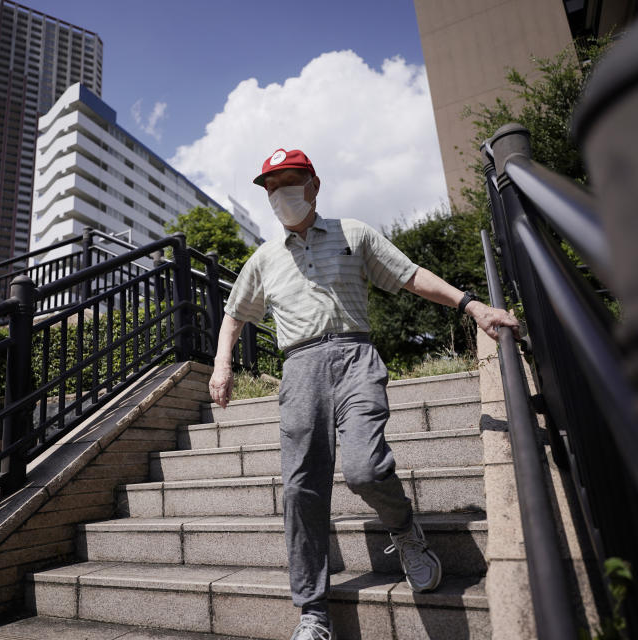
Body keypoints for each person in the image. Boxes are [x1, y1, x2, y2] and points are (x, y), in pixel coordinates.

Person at [208, 148, 519, 640]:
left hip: (355, 357)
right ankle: (312, 612)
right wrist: (223, 363)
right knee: (300, 490)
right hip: (300, 367)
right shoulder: (264, 259)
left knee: (365, 467)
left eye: (289, 181)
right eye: (270, 186)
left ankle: (403, 530)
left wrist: (471, 304)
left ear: (313, 184)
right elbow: (234, 314)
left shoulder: (353, 233)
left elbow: (410, 275)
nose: (279, 193)